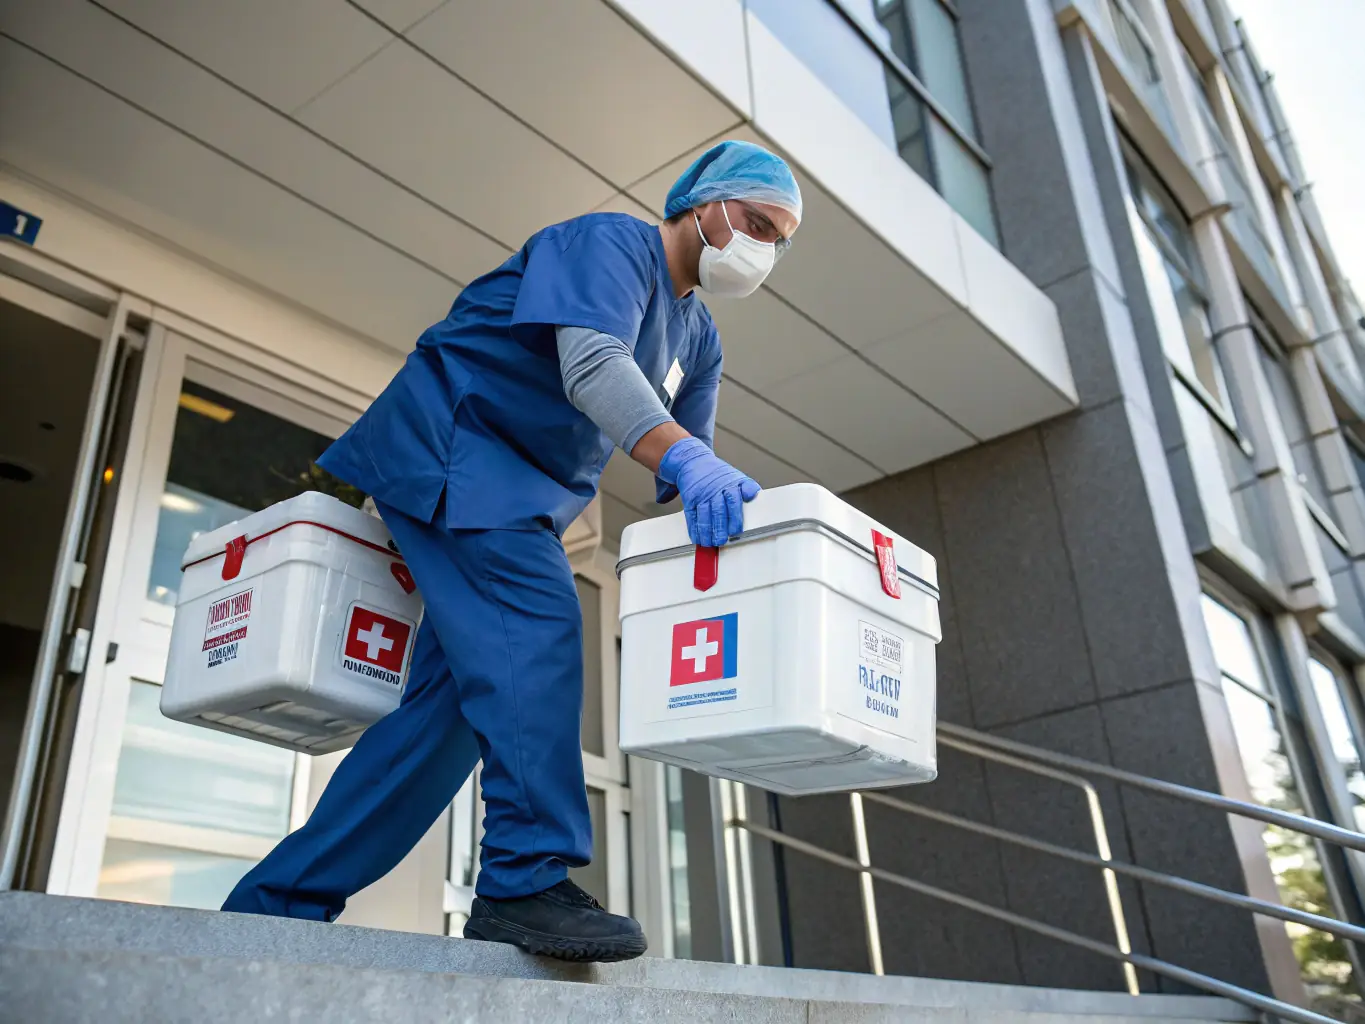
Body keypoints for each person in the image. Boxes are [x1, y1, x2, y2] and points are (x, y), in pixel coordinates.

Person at [221, 140, 802, 962]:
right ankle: (522, 881)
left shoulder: (697, 338)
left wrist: (728, 517)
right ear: (700, 203)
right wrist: (684, 459)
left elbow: (685, 468)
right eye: (753, 222)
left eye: (779, 239)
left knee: (442, 725)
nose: (761, 250)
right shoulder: (608, 243)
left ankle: (272, 908)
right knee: (537, 631)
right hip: (457, 445)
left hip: (519, 497)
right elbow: (595, 365)